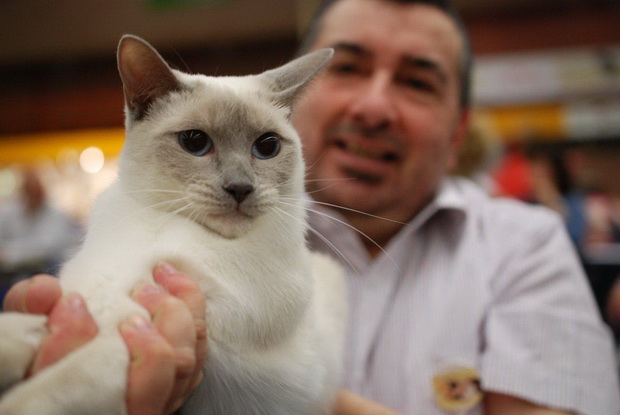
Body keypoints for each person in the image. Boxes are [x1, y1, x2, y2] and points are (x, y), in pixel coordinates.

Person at [3, 0, 620, 414]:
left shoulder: (524, 245)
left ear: (459, 128)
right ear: (303, 99)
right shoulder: (166, 217)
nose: (375, 107)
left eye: (416, 81)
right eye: (348, 69)